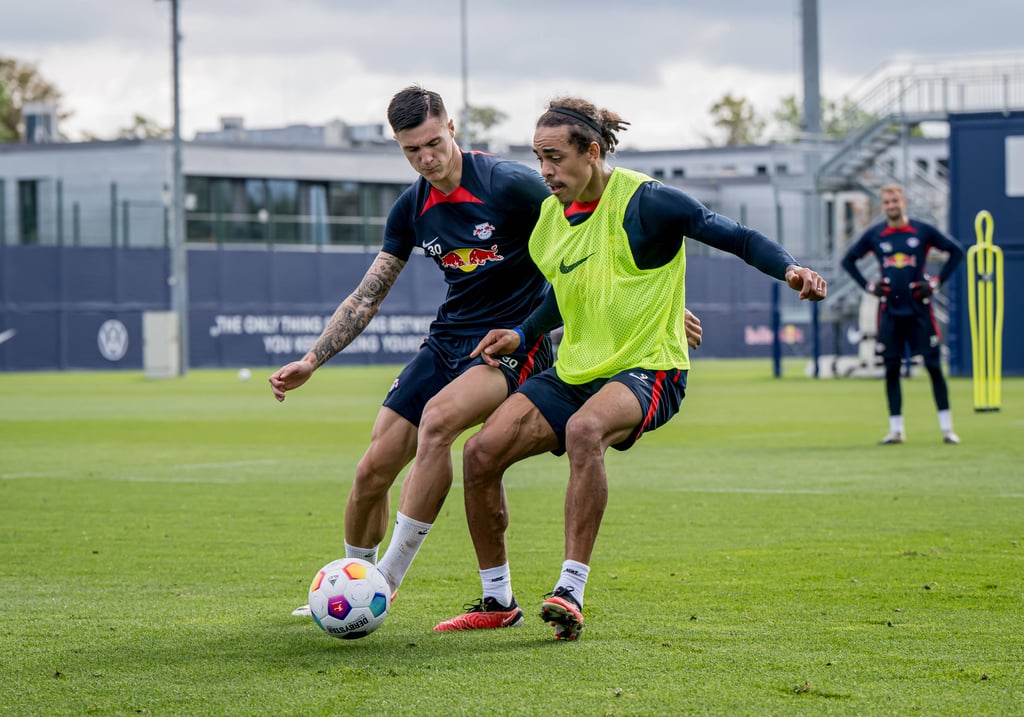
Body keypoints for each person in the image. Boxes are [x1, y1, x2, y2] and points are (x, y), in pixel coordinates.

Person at [269, 86, 705, 620]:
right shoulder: (411, 208)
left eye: (433, 143)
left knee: (438, 422)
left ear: (452, 128)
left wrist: (652, 305)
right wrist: (313, 359)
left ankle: (384, 584)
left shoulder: (511, 183)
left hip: (512, 341)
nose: (426, 159)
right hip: (447, 339)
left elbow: (596, 233)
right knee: (371, 472)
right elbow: (368, 293)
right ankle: (351, 583)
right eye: (411, 151)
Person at [431, 97, 827, 640]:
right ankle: (497, 599)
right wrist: (524, 333)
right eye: (537, 157)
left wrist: (790, 269)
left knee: (584, 431)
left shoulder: (647, 202)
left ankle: (569, 590)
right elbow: (563, 290)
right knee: (479, 454)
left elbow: (734, 235)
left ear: (591, 152)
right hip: (577, 370)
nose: (544, 171)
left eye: (553, 157)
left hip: (651, 367)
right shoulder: (550, 219)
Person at [841, 183, 965, 445]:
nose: (891, 206)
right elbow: (848, 260)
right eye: (886, 202)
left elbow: (956, 251)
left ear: (904, 202)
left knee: (933, 366)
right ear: (883, 206)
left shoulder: (921, 231)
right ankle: (896, 429)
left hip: (920, 310)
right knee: (891, 369)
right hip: (890, 311)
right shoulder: (876, 235)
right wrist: (868, 286)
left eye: (895, 201)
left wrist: (936, 282)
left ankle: (947, 429)